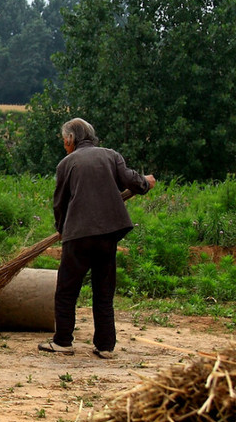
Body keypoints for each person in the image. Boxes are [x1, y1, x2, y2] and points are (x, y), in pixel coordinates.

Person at [38, 118, 155, 359]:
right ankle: (105, 346)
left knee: (67, 290)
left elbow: (59, 204)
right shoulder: (111, 156)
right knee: (104, 290)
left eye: (64, 142)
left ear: (71, 140)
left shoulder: (66, 164)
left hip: (78, 235)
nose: (64, 146)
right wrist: (146, 183)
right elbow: (133, 181)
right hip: (108, 234)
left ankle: (62, 342)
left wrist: (61, 229)